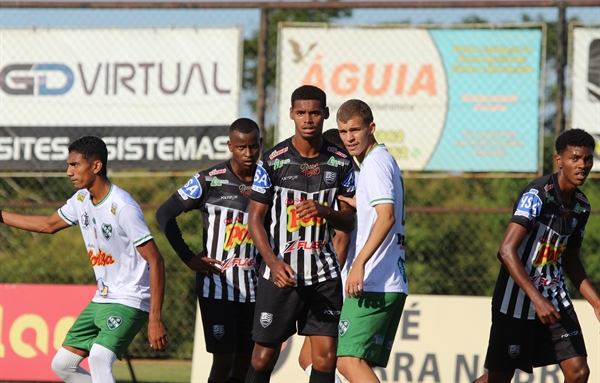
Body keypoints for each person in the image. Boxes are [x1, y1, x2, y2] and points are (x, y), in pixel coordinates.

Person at [0, 136, 168, 383]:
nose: (68, 172)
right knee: (63, 365)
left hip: (131, 299)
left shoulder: (122, 206)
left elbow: (156, 261)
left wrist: (155, 318)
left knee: (99, 358)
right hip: (102, 298)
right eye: (68, 165)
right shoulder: (81, 200)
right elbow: (47, 225)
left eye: (74, 165)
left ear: (96, 166)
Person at [246, 85, 356, 383]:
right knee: (263, 356)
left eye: (315, 113)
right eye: (302, 113)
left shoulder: (341, 162)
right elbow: (254, 220)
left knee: (326, 355)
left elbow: (348, 222)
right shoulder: (272, 161)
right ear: (292, 114)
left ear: (325, 115)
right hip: (282, 273)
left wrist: (325, 212)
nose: (308, 119)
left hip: (324, 275)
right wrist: (272, 262)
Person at [474, 128, 599, 383]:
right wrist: (536, 299)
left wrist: (597, 302)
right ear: (559, 160)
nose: (582, 165)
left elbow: (571, 261)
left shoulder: (581, 206)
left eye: (588, 159)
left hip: (555, 298)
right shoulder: (537, 195)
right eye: (574, 158)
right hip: (516, 299)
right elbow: (505, 251)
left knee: (579, 372)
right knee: (498, 379)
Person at [156, 118, 262, 383]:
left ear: (260, 145)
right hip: (217, 287)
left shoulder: (268, 181)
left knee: (247, 361)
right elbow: (164, 213)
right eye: (240, 147)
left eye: (253, 147)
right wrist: (189, 257)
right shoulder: (208, 180)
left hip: (257, 288)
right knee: (224, 358)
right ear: (230, 145)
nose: (247, 154)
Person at [335, 99, 408, 383]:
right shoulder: (382, 160)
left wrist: (359, 263)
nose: (349, 138)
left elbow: (386, 217)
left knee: (348, 362)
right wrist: (359, 201)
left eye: (355, 130)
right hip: (391, 280)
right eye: (343, 132)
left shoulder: (375, 163)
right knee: (360, 363)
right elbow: (382, 209)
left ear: (371, 127)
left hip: (374, 282)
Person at [297, 128, 358, 383]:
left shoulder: (341, 182)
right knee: (308, 359)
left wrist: (324, 280)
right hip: (335, 277)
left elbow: (342, 240)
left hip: (335, 281)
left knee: (330, 361)